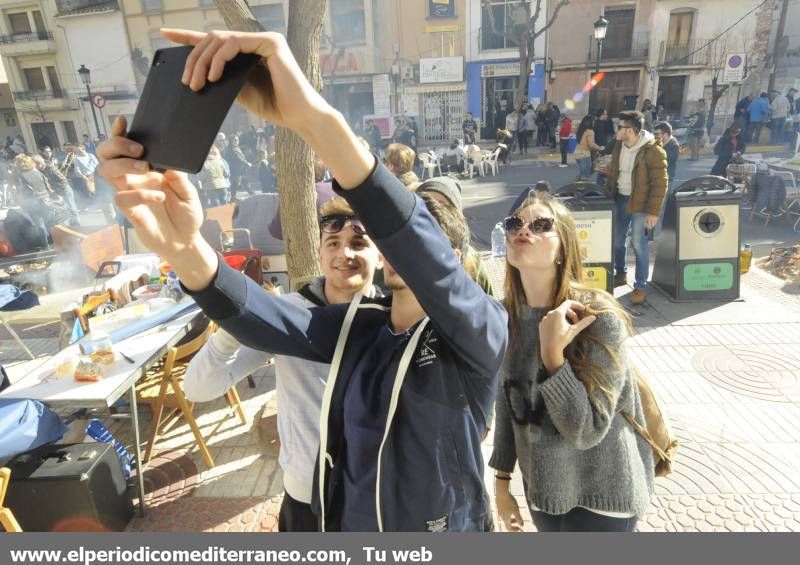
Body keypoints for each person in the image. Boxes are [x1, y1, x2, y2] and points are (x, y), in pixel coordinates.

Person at [97, 28, 507, 532]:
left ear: (459, 259)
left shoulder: (479, 334)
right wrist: (183, 246)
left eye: (423, 237)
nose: (396, 245)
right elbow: (261, 319)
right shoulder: (360, 328)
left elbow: (420, 248)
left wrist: (314, 120)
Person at [184, 196, 383, 532]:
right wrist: (239, 325)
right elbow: (199, 388)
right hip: (304, 497)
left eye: (358, 243)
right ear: (320, 253)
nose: (344, 254)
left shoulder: (395, 317)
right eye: (333, 243)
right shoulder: (288, 315)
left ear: (379, 255)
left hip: (375, 495)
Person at [491, 189, 654, 532]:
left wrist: (553, 357)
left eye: (540, 224)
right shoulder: (506, 317)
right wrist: (502, 481)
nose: (524, 229)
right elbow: (509, 401)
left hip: (604, 496)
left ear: (564, 244)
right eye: (514, 222)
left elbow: (586, 431)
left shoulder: (596, 316)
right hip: (544, 493)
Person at [605, 111, 668, 304]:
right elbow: (617, 170)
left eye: (619, 127)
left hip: (641, 203)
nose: (616, 130)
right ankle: (621, 273)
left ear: (630, 131)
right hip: (620, 199)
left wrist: (653, 212)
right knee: (617, 240)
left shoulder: (653, 151)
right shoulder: (619, 145)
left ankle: (640, 285)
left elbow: (661, 183)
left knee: (638, 243)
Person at [33, 153, 79, 226]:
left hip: (64, 190)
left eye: (34, 164)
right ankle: (69, 225)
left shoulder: (50, 168)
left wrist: (60, 191)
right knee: (63, 208)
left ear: (39, 163)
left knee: (71, 207)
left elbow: (63, 179)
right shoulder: (40, 170)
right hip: (57, 191)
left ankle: (76, 224)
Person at [574, 115, 603, 181]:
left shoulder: (580, 129)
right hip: (584, 154)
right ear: (591, 122)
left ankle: (578, 182)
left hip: (577, 152)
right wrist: (600, 148)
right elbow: (591, 144)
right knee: (586, 175)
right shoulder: (590, 131)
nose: (594, 123)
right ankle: (581, 187)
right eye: (593, 121)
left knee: (583, 173)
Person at [224, 134, 252, 199]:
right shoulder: (232, 149)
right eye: (234, 140)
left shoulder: (236, 148)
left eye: (237, 140)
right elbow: (239, 158)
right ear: (231, 141)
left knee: (244, 182)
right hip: (236, 170)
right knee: (235, 184)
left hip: (240, 170)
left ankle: (252, 193)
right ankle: (232, 198)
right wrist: (247, 163)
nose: (236, 141)